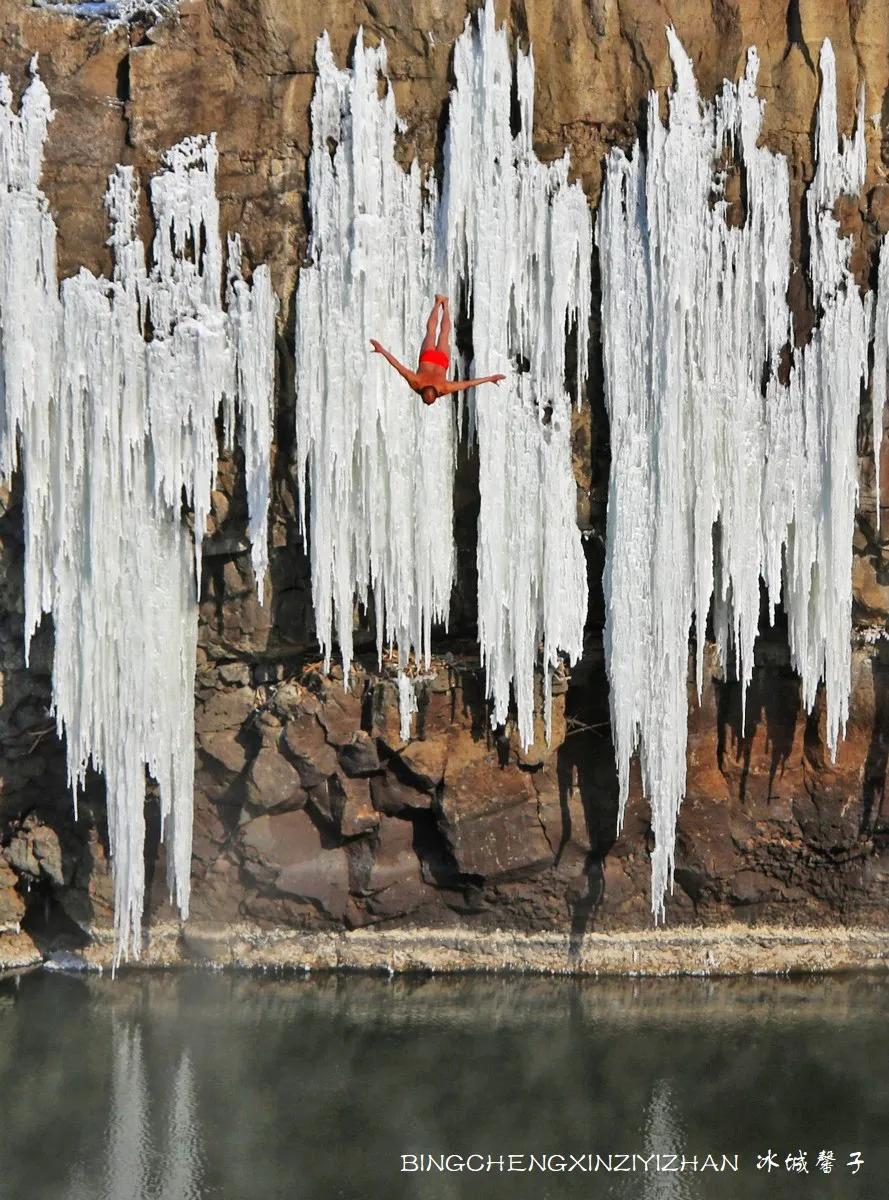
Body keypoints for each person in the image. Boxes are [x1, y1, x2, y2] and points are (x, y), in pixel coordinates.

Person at [370, 295, 505, 406]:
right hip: (429, 358)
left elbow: (467, 384)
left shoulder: (443, 388)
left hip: (439, 360)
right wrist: (382, 350)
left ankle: (444, 305)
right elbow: (397, 366)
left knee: (442, 334)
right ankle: (438, 302)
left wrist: (490, 378)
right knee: (432, 332)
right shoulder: (416, 382)